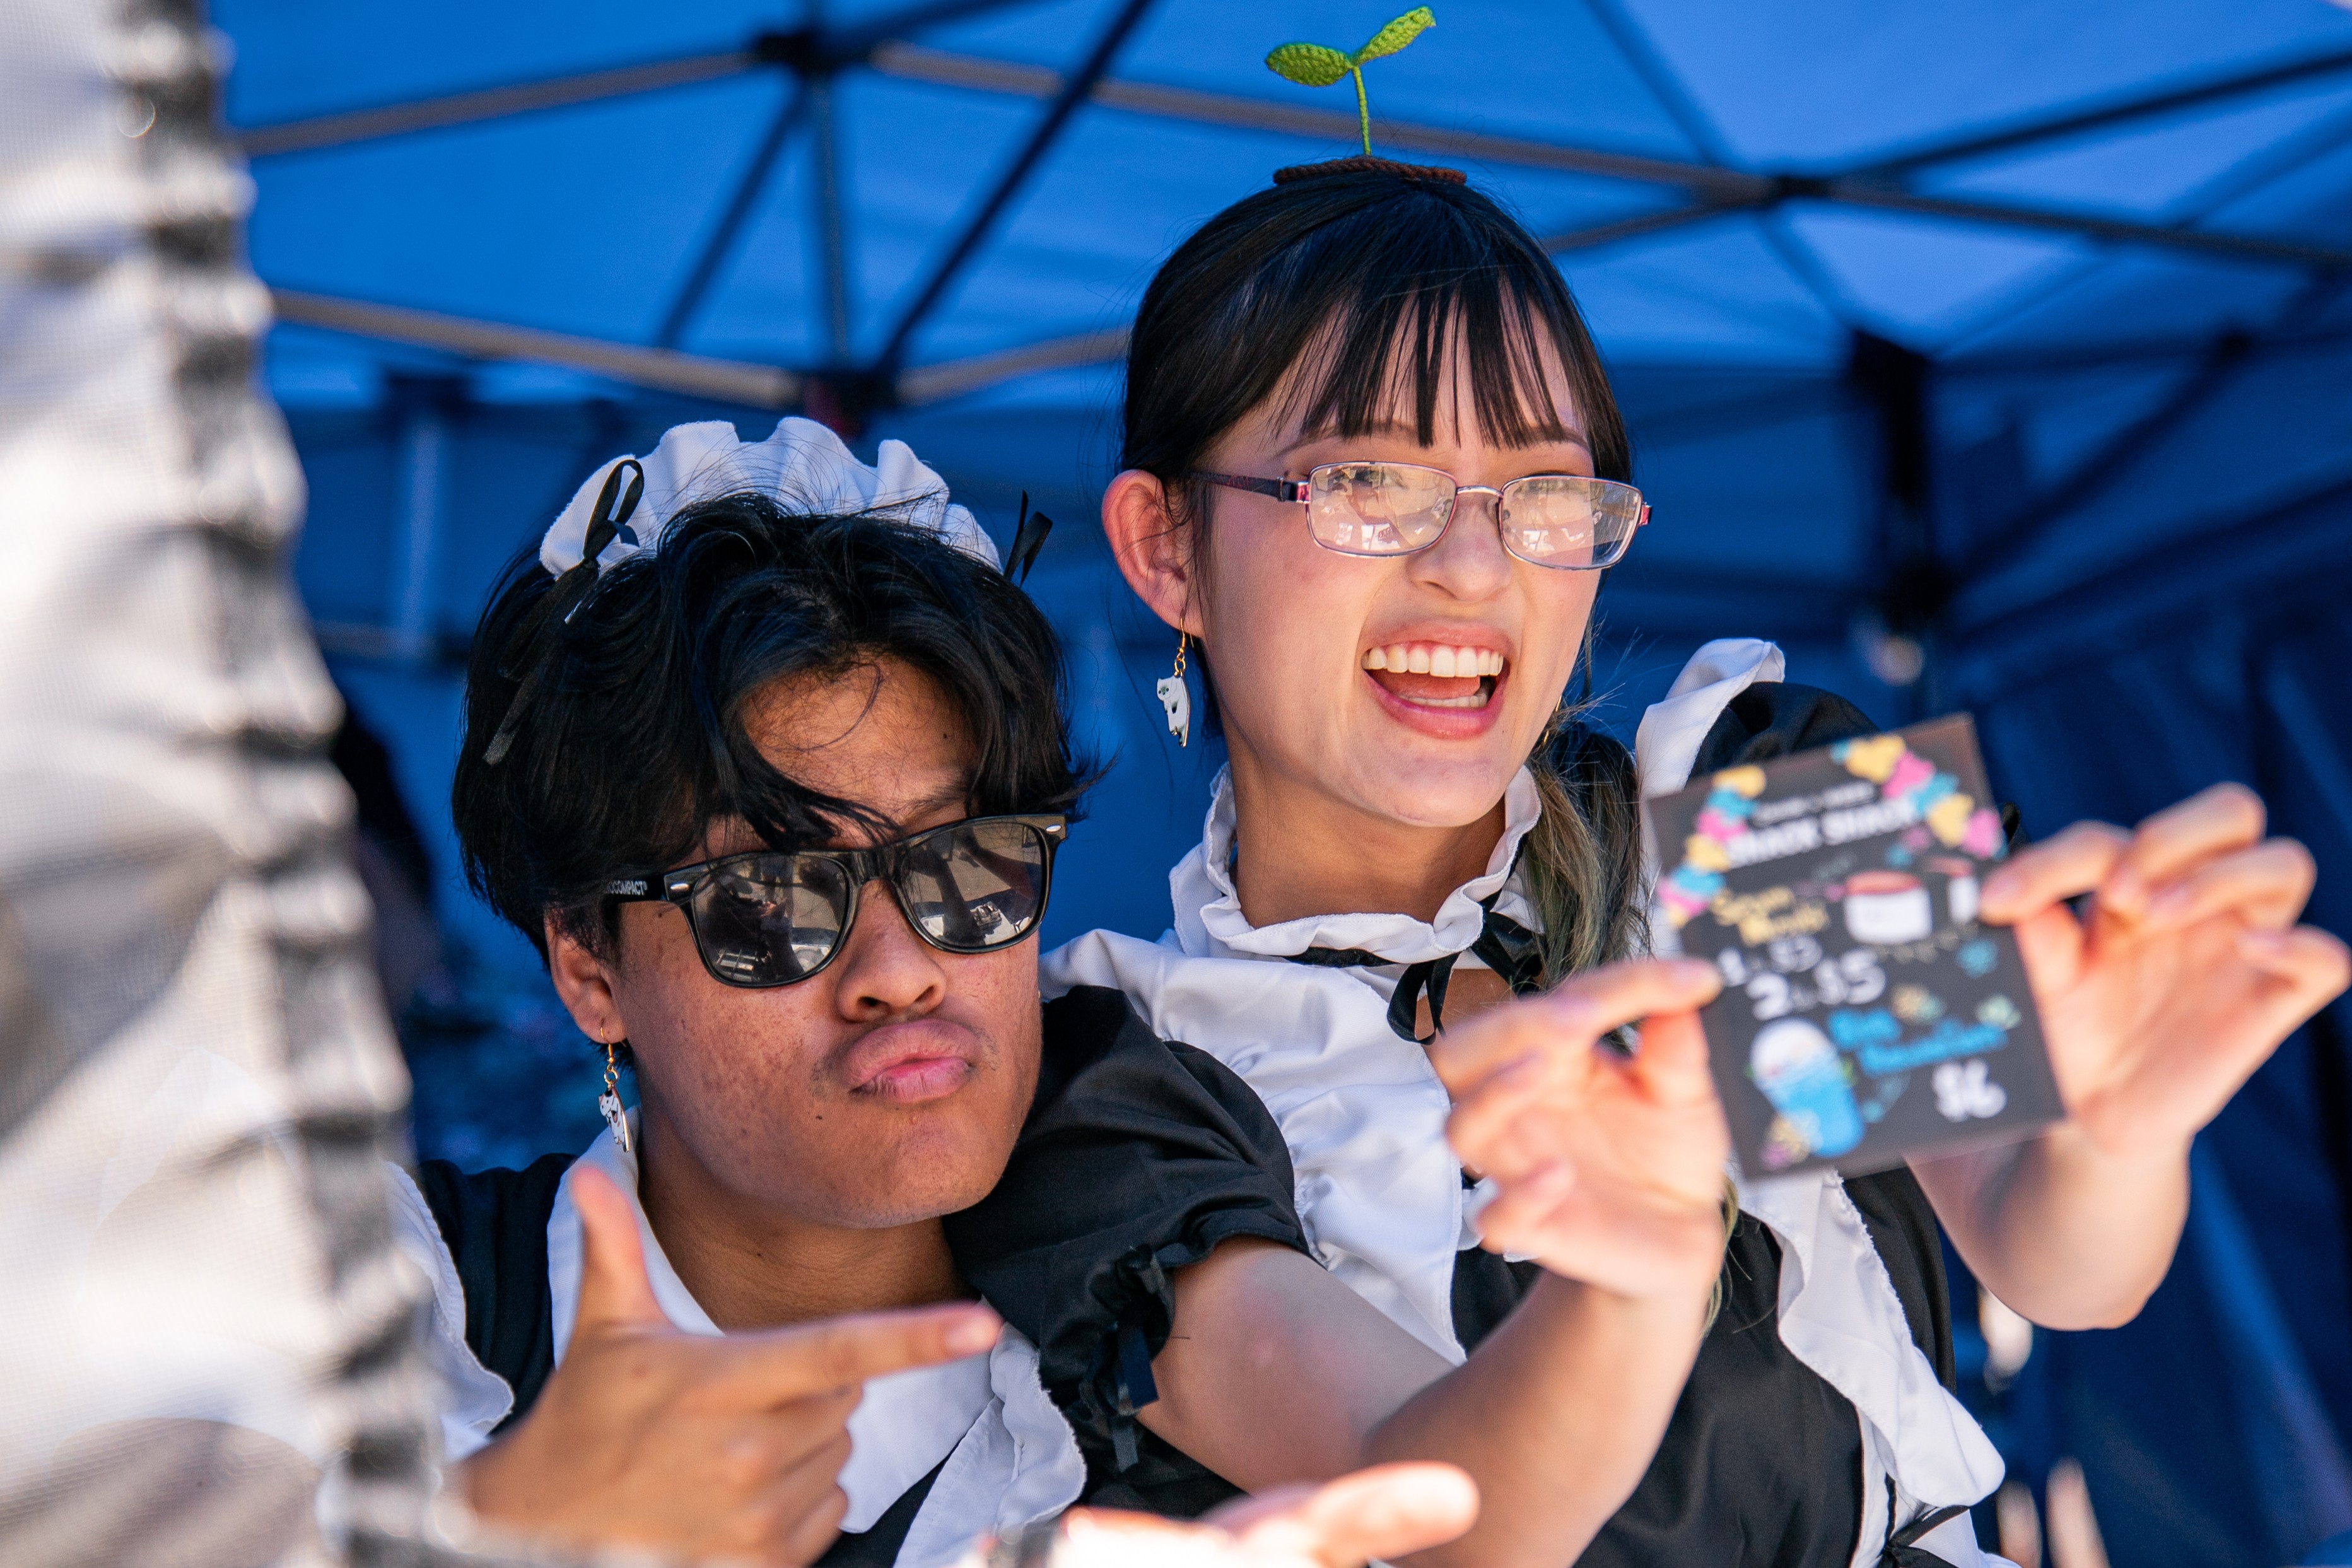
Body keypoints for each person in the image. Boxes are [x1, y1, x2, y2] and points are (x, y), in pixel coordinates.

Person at [943, 159, 2352, 1568]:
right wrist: (1635, 1271)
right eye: (1370, 483)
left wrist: (2114, 1126)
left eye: (1544, 496)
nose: (1473, 570)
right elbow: (1434, 1504)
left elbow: (2055, 1262)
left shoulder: (1754, 799)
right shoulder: (1111, 1083)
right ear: (1163, 548)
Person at [408, 415, 1489, 1568]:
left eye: (965, 862)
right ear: (588, 965)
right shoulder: (382, 1300)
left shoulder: (1178, 1438)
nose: (902, 969)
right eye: (772, 898)